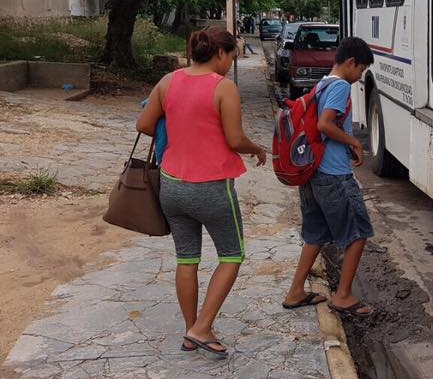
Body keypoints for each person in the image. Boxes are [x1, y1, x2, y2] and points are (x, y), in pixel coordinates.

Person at [136, 27, 267, 357]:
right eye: (232, 56)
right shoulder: (224, 88)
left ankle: (189, 330)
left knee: (187, 258)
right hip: (211, 187)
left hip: (171, 185)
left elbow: (144, 124)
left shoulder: (168, 81)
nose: (231, 62)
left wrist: (178, 129)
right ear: (220, 54)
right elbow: (235, 139)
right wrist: (257, 149)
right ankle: (202, 326)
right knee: (232, 255)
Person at [283, 37, 376, 317]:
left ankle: (296, 291)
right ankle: (343, 296)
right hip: (333, 176)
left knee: (315, 233)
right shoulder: (339, 87)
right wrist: (354, 142)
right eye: (360, 70)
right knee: (358, 234)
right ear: (351, 63)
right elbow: (325, 125)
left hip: (313, 172)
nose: (359, 76)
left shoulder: (322, 83)